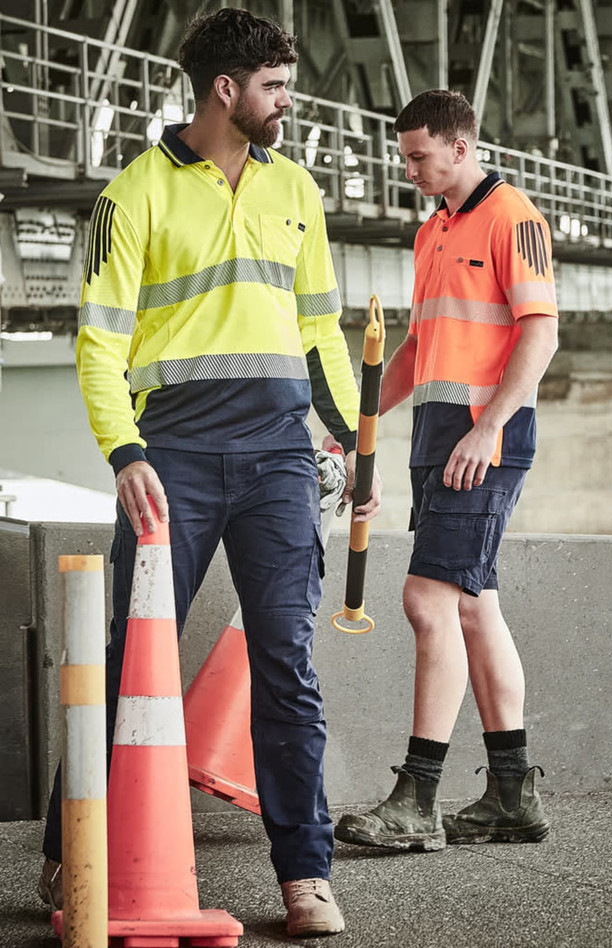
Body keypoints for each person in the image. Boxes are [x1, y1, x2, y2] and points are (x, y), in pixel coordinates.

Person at [38, 7, 380, 936]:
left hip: (278, 458)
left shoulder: (296, 188)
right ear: (225, 90)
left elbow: (321, 332)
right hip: (174, 460)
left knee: (288, 667)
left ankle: (305, 875)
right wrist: (126, 453)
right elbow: (99, 346)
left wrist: (356, 444)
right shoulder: (132, 195)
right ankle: (71, 851)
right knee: (126, 664)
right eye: (274, 86)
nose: (288, 101)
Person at [335, 90, 558, 852]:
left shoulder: (514, 218)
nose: (410, 169)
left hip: (484, 441)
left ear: (460, 147)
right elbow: (415, 350)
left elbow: (541, 334)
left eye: (418, 156)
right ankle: (512, 795)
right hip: (437, 440)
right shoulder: (431, 231)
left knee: (427, 599)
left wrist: (487, 427)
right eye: (405, 157)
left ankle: (418, 798)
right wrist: (354, 428)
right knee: (473, 607)